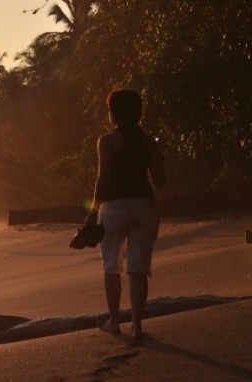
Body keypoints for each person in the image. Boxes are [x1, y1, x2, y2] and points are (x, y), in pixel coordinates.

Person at [85, 89, 165, 339]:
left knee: (112, 266)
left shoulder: (107, 141)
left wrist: (92, 213)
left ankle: (114, 321)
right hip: (144, 206)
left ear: (113, 114)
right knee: (138, 267)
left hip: (115, 208)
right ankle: (138, 325)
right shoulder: (149, 141)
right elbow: (160, 181)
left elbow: (103, 179)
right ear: (139, 113)